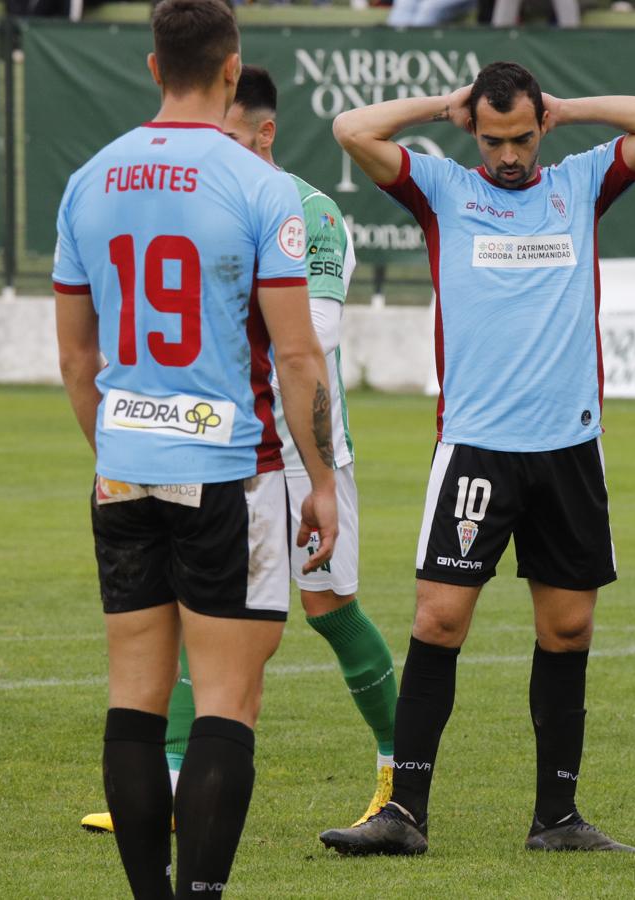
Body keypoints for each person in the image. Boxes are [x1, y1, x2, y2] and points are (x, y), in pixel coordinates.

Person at [318, 61, 635, 856]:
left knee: (568, 630)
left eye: (521, 138)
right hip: (477, 450)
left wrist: (569, 108)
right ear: (474, 130)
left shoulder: (583, 183)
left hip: (568, 449)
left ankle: (556, 819)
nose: (509, 154)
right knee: (438, 619)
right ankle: (402, 813)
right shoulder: (444, 189)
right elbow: (352, 129)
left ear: (539, 127)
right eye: (494, 139)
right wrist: (442, 108)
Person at [52, 1, 338, 896]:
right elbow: (296, 354)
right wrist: (320, 481)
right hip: (232, 474)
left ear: (150, 67)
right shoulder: (259, 184)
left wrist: (118, 447)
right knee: (227, 702)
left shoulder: (87, 179)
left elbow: (74, 357)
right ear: (230, 71)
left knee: (134, 699)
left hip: (124, 466)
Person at [79, 63, 397, 838]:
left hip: (299, 447)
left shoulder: (311, 213)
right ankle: (176, 781)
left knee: (327, 607)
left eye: (226, 138)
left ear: (263, 134)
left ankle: (401, 771)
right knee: (196, 607)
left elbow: (311, 339)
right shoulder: (198, 202)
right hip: (220, 446)